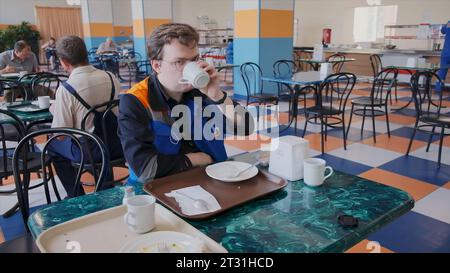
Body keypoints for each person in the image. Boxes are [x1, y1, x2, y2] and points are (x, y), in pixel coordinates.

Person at [118, 23, 253, 184]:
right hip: (158, 187)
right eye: (179, 62)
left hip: (212, 177)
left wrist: (218, 96)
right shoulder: (135, 101)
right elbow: (146, 170)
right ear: (157, 65)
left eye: (194, 59)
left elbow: (246, 128)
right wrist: (195, 159)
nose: (190, 68)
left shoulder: (202, 91)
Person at [48, 35, 122, 198]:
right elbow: (117, 113)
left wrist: (56, 111)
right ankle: (106, 185)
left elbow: (60, 136)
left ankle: (75, 195)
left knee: (52, 143)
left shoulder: (67, 89)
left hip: (89, 152)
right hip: (117, 145)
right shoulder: (110, 77)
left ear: (63, 61)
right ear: (86, 54)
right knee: (102, 134)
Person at [436, 20, 450, 92]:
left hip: (445, 52)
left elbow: (442, 30)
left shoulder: (449, 22)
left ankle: (438, 89)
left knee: (442, 73)